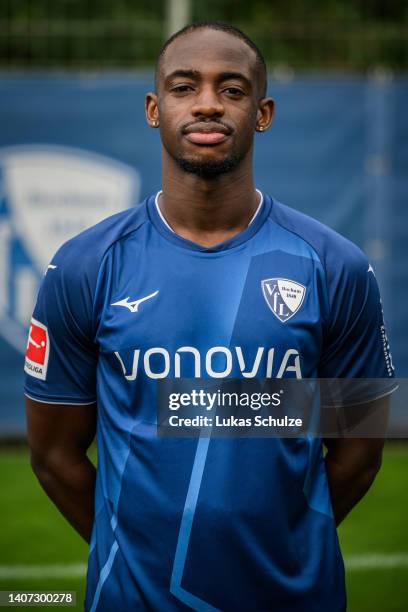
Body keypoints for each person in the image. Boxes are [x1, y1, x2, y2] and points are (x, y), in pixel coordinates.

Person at [25, 21, 396, 612]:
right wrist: (135, 549)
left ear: (263, 112)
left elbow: (359, 449)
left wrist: (285, 534)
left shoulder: (335, 266)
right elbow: (53, 456)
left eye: (231, 89)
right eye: (183, 86)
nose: (206, 104)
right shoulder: (84, 266)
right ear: (153, 108)